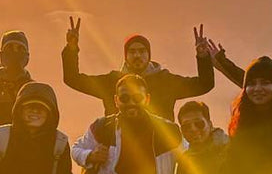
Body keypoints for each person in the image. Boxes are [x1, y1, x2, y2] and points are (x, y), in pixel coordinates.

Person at [62, 19, 214, 120]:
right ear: (126, 56)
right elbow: (73, 79)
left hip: (158, 152)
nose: (137, 55)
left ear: (149, 55)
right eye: (132, 52)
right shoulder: (111, 82)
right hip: (119, 151)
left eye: (142, 51)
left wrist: (203, 56)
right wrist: (71, 49)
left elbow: (204, 84)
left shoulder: (166, 81)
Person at [173, 100, 230, 174]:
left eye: (199, 124)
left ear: (210, 124)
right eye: (186, 126)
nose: (193, 129)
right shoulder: (186, 160)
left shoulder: (230, 150)